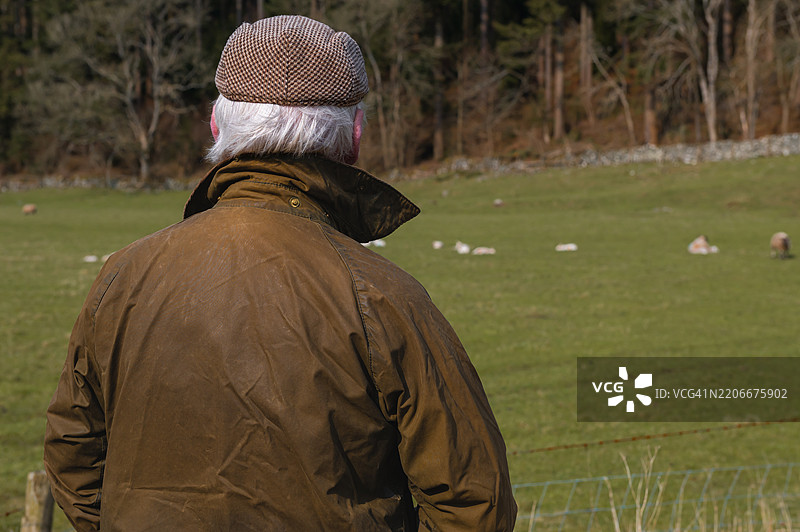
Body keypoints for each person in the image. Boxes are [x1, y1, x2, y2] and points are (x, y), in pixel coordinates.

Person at [44, 15, 517, 531]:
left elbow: (74, 455)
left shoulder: (122, 278)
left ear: (216, 126)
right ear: (355, 136)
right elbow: (475, 504)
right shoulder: (383, 297)